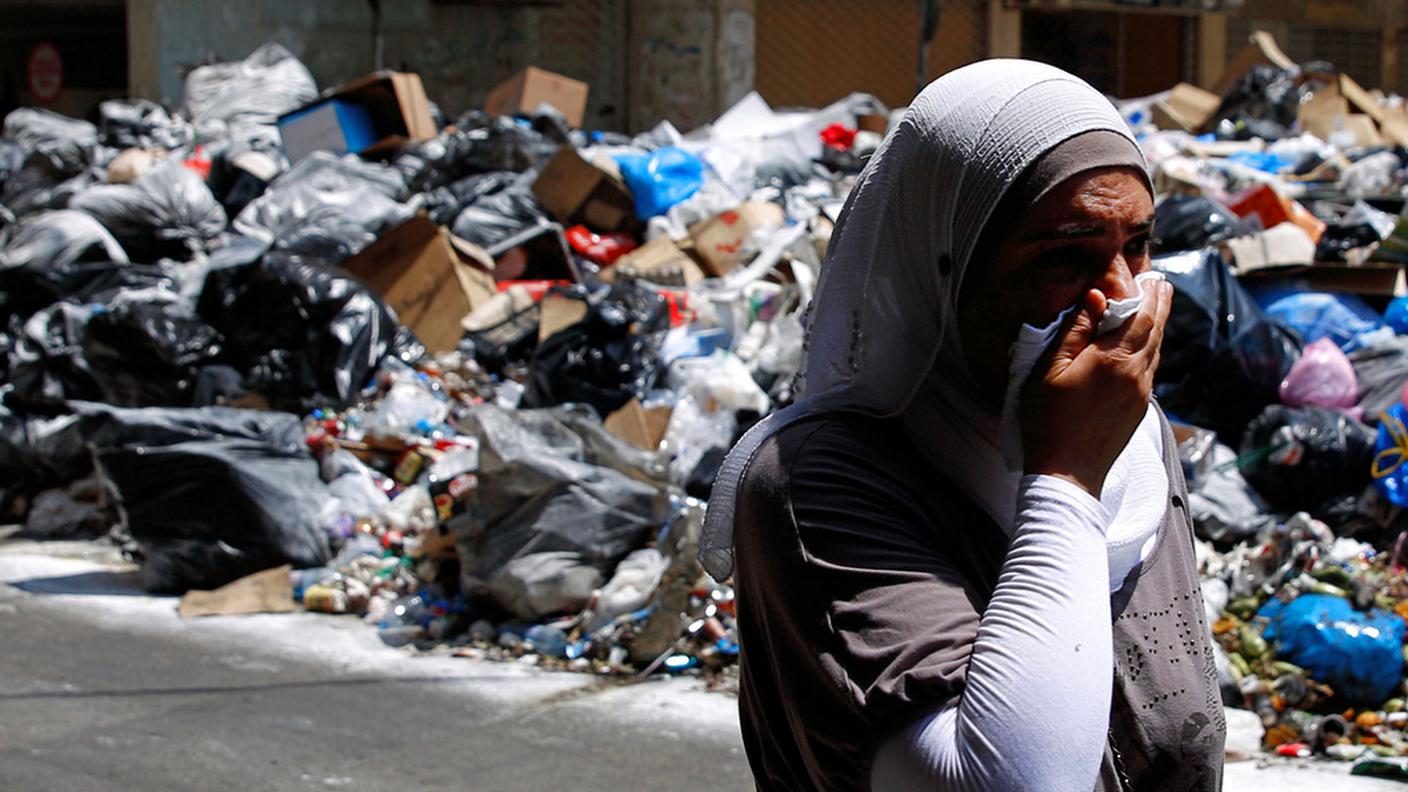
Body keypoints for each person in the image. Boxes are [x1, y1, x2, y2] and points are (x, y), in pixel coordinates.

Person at [698, 60, 1226, 791]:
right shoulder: (818, 481)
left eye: (1136, 245)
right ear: (942, 268)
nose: (1120, 299)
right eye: (1064, 256)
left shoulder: (1131, 438)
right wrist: (1066, 478)